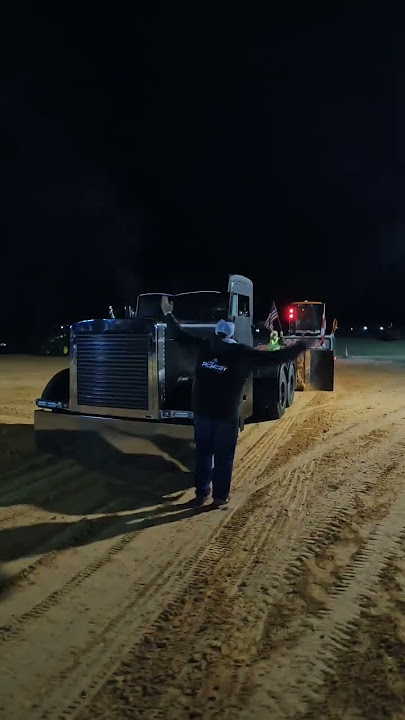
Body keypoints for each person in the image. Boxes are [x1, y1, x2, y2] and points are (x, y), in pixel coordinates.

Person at [161, 296, 306, 509]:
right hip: (226, 416)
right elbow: (273, 359)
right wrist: (298, 348)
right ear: (232, 334)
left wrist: (167, 313)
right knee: (223, 457)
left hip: (202, 413)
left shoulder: (203, 346)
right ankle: (220, 497)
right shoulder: (242, 354)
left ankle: (201, 494)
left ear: (216, 333)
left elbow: (179, 335)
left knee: (203, 455)